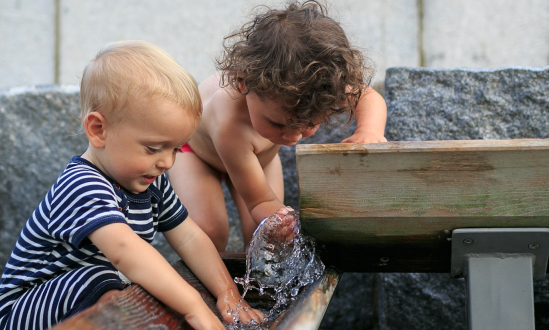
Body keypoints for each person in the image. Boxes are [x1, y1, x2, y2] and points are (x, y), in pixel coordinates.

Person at [0, 40, 263, 330]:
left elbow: (190, 238)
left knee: (133, 286)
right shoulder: (82, 185)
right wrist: (192, 306)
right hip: (25, 312)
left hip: (87, 296)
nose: (167, 162)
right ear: (99, 130)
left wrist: (227, 292)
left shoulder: (152, 182)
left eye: (176, 149)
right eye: (153, 148)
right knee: (103, 278)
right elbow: (124, 251)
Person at [169, 0, 388, 252]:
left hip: (259, 155)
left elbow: (369, 97)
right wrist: (283, 217)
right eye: (278, 123)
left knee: (263, 235)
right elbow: (259, 201)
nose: (293, 138)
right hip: (198, 154)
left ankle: (251, 284)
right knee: (209, 232)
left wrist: (369, 131)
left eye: (308, 125)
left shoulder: (317, 86)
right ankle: (203, 284)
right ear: (243, 83)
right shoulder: (230, 121)